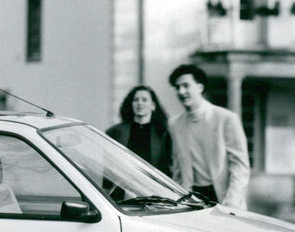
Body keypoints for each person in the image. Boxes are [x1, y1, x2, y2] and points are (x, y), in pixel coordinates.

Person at [167, 64, 250, 209]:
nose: (181, 91)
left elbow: (240, 166)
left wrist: (231, 203)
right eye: (177, 87)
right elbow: (177, 168)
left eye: (186, 86)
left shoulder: (226, 118)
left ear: (200, 87)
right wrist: (178, 200)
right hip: (191, 200)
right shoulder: (175, 124)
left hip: (224, 199)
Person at [106, 85, 173, 176]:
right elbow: (109, 166)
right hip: (123, 186)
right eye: (136, 100)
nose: (139, 103)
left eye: (144, 100)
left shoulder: (163, 133)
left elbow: (169, 167)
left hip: (154, 187)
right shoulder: (115, 132)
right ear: (131, 104)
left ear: (153, 106)